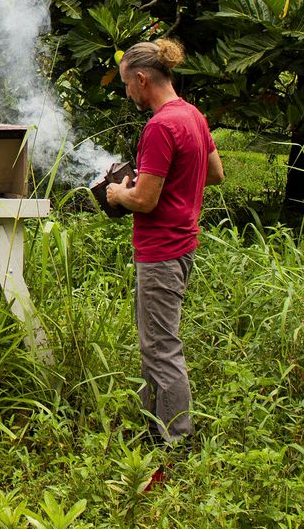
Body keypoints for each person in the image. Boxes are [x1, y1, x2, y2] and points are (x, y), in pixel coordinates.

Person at [104, 38, 223, 447]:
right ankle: (155, 428)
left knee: (161, 348)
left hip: (160, 251)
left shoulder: (159, 126)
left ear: (141, 79)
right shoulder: (192, 115)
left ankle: (177, 441)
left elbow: (144, 200)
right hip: (184, 243)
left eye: (126, 85)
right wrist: (168, 181)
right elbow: (215, 173)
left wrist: (120, 193)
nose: (127, 94)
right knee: (154, 342)